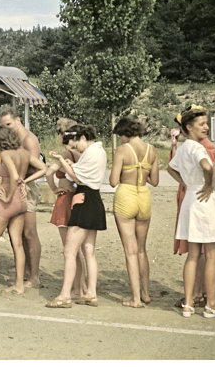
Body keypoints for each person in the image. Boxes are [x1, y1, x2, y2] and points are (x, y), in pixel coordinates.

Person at [167, 105, 215, 318]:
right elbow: (208, 167)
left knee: (193, 255)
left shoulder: (183, 147)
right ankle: (211, 303)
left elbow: (170, 168)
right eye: (201, 124)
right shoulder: (198, 148)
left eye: (206, 123)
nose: (206, 127)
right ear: (189, 127)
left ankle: (189, 303)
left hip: (190, 199)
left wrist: (184, 183)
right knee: (211, 255)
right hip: (203, 199)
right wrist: (209, 185)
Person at [0, 125, 47, 296]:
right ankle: (19, 285)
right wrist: (26, 181)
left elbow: (14, 176)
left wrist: (7, 197)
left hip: (8, 201)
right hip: (22, 201)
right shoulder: (24, 152)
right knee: (17, 244)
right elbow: (44, 169)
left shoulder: (6, 154)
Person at [46, 124, 107, 308]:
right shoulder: (99, 151)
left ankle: (65, 295)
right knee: (89, 250)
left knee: (69, 251)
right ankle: (91, 293)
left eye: (75, 144)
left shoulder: (92, 152)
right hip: (93, 198)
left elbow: (78, 178)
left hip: (84, 199)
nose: (74, 149)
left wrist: (62, 161)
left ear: (82, 138)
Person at [109, 117, 159, 308]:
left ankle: (135, 298)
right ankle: (146, 293)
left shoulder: (123, 150)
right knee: (141, 249)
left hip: (126, 195)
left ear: (125, 133)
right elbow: (154, 180)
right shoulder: (152, 150)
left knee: (130, 251)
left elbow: (113, 181)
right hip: (143, 195)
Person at [0, 107, 42, 288]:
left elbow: (38, 167)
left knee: (29, 233)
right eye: (4, 126)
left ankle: (34, 276)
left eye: (9, 124)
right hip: (17, 186)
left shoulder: (29, 139)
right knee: (18, 232)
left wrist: (24, 180)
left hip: (27, 188)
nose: (7, 128)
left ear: (18, 120)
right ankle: (24, 271)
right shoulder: (16, 138)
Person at [45, 118, 87, 299]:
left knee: (70, 249)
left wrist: (54, 188)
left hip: (65, 199)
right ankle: (82, 286)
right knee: (81, 248)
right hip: (78, 197)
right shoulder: (82, 154)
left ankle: (77, 288)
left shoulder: (66, 154)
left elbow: (48, 173)